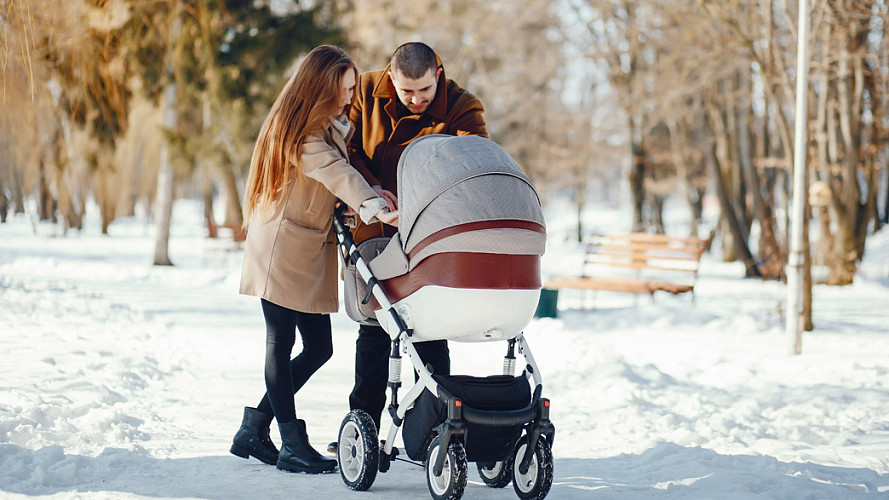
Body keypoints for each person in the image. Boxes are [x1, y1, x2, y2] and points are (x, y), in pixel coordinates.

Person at [230, 45, 398, 474]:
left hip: (303, 248)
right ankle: (289, 441)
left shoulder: (327, 127)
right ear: (320, 87)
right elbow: (335, 174)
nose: (349, 98)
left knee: (319, 347)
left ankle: (254, 428)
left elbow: (328, 186)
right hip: (281, 250)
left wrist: (369, 197)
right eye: (343, 90)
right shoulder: (300, 133)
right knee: (280, 342)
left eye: (350, 89)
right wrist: (372, 205)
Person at [333, 42, 489, 447]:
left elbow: (474, 161)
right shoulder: (363, 92)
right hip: (374, 231)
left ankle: (435, 430)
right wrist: (372, 189)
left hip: (431, 234)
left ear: (438, 73)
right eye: (407, 92)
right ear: (391, 77)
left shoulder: (462, 106)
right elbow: (343, 150)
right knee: (374, 329)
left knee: (429, 328)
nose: (417, 100)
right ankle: (361, 430)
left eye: (424, 91)